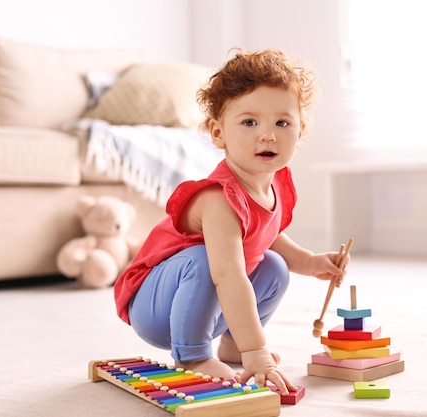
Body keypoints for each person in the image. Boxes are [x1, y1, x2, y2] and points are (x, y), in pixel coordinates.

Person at [114, 48, 347, 395]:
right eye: (249, 122)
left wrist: (311, 262)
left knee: (274, 266)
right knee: (210, 260)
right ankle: (193, 356)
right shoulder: (219, 198)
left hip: (204, 303)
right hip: (157, 306)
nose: (267, 134)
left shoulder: (274, 184)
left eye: (282, 122)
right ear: (218, 133)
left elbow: (266, 236)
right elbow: (228, 274)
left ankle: (233, 344)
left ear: (300, 132)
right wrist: (259, 354)